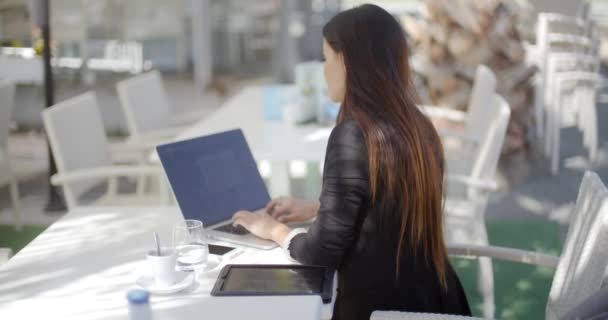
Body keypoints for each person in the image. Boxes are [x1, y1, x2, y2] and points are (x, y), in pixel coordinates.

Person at [232, 4, 471, 319]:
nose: (323, 70)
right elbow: (389, 208)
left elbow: (321, 253)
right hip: (434, 303)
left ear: (346, 61)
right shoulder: (417, 126)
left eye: (326, 59)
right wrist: (320, 209)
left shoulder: (354, 135)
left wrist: (272, 229)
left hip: (379, 310)